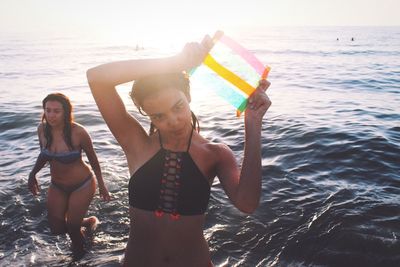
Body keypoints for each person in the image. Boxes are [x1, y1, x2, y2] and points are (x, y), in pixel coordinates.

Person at [86, 35, 271, 266]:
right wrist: (175, 62)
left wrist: (253, 123)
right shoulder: (137, 144)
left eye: (177, 107)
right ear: (147, 115)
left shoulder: (215, 154)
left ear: (189, 96)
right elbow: (96, 78)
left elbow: (247, 203)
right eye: (159, 116)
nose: (172, 121)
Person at [28, 93, 111, 258]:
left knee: (73, 229)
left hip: (82, 184)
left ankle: (79, 258)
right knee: (57, 229)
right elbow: (44, 154)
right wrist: (33, 173)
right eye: (48, 110)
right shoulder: (42, 129)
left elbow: (93, 160)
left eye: (56, 111)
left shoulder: (79, 132)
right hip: (57, 185)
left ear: (66, 112)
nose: (51, 115)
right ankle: (89, 222)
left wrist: (102, 185)